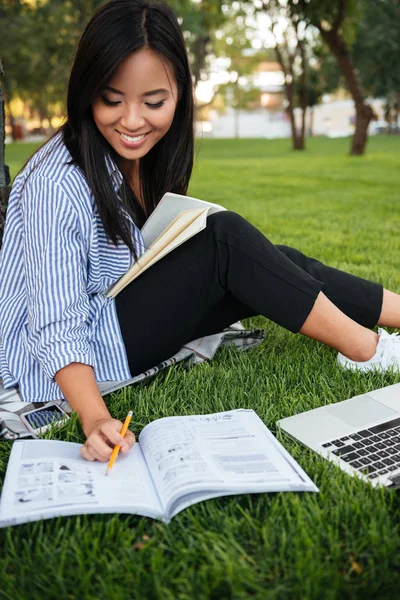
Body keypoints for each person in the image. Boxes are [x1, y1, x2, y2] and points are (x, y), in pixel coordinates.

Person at [1, 0, 399, 464]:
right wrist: (93, 418)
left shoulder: (132, 158)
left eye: (153, 102)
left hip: (115, 314)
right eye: (111, 99)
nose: (131, 120)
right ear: (86, 91)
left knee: (271, 260)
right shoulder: (57, 181)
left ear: (180, 95)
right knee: (225, 241)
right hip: (67, 360)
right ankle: (367, 353)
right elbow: (56, 325)